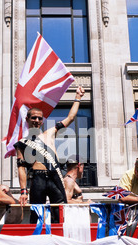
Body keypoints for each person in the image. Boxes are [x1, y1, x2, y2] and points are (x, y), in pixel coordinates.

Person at [14, 86, 85, 223]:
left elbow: (70, 118)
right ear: (27, 119)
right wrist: (23, 191)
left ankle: (60, 241)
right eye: (33, 117)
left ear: (42, 121)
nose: (36, 120)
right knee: (36, 214)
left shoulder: (50, 133)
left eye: (39, 118)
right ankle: (37, 240)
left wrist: (78, 97)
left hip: (55, 176)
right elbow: (21, 168)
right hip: (38, 179)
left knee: (59, 212)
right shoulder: (22, 143)